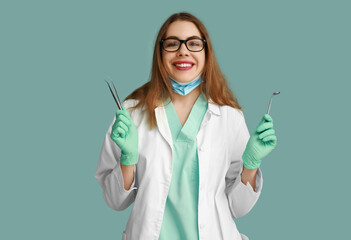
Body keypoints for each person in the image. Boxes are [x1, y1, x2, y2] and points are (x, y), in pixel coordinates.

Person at [95, 12, 277, 240]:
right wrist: (127, 159)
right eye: (172, 44)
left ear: (206, 52)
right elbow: (114, 201)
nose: (183, 50)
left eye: (193, 43)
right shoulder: (131, 113)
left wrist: (251, 165)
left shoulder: (230, 116)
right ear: (159, 54)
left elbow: (239, 208)